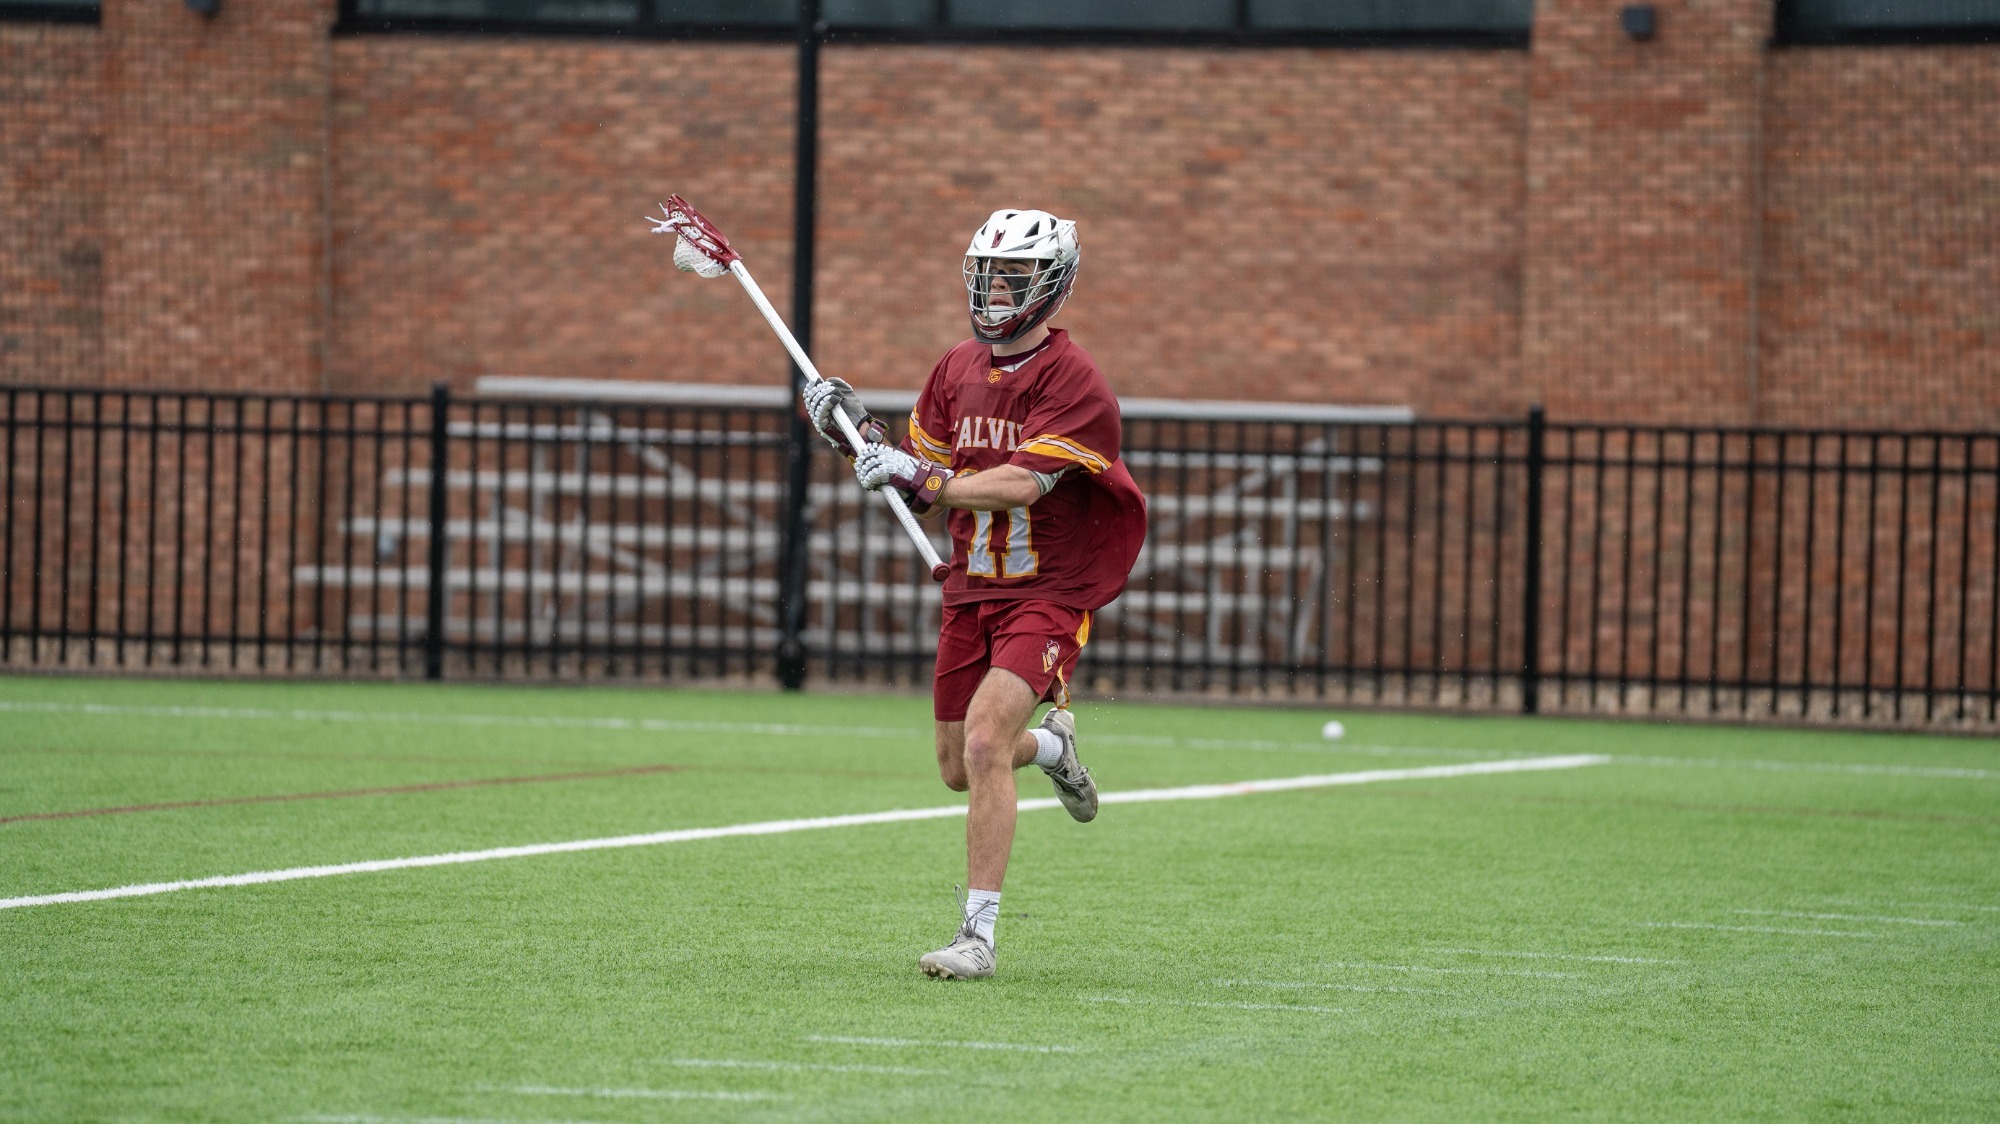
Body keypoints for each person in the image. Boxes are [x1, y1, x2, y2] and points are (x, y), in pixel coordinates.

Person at [803, 208, 1148, 980]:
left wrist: (922, 475)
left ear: (1051, 285)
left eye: (1015, 278)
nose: (997, 291)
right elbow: (920, 476)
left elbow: (1022, 483)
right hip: (970, 589)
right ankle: (1054, 748)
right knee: (959, 765)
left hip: (1048, 590)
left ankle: (977, 937)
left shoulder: (1076, 380)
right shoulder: (955, 367)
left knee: (987, 740)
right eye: (989, 276)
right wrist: (856, 433)